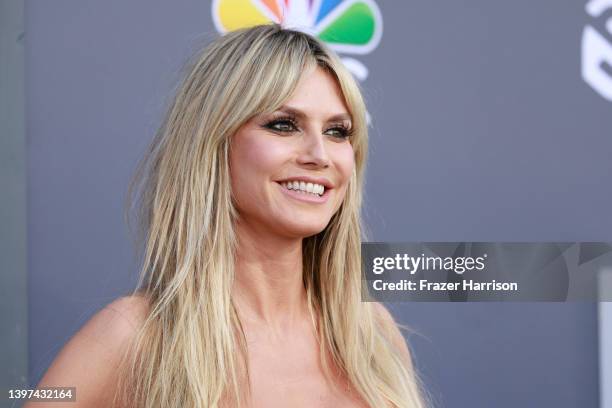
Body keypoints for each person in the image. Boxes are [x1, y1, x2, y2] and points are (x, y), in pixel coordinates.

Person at [27, 24, 427, 408]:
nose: (319, 155)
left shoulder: (372, 333)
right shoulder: (132, 336)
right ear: (214, 143)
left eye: (338, 132)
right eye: (283, 125)